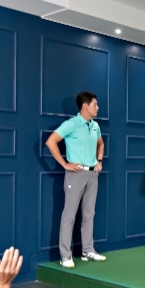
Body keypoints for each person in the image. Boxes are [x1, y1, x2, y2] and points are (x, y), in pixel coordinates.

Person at [46, 91, 106, 268]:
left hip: (92, 174)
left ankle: (87, 250)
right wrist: (65, 164)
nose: (98, 107)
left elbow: (101, 144)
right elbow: (51, 141)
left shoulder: (95, 126)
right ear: (85, 106)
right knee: (69, 215)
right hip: (76, 174)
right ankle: (65, 255)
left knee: (89, 214)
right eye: (95, 104)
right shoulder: (71, 124)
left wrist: (99, 161)